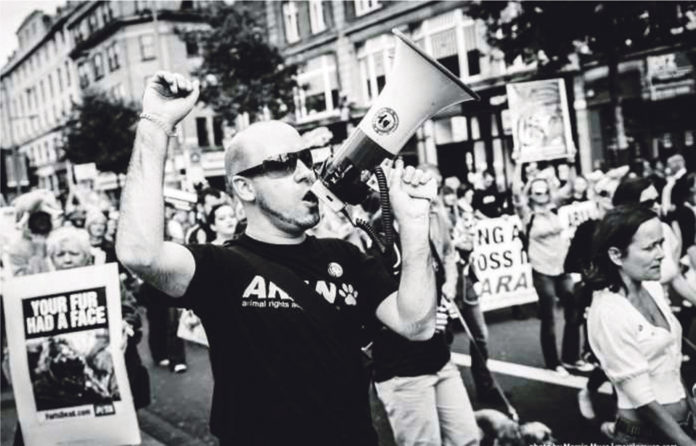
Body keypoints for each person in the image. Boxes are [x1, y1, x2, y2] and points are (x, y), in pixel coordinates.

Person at [116, 71, 439, 445]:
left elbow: (418, 325)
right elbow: (139, 252)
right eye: (284, 163)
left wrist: (415, 225)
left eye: (305, 159)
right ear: (244, 187)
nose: (305, 174)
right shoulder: (220, 268)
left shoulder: (345, 256)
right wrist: (156, 124)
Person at [371, 164, 478, 446]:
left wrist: (444, 299)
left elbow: (443, 267)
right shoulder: (377, 245)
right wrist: (427, 315)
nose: (426, 206)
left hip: (439, 360)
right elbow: (377, 312)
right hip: (403, 371)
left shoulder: (422, 232)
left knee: (468, 438)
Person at [586, 205, 695, 445]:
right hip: (644, 436)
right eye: (649, 248)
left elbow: (669, 363)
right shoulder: (608, 311)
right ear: (616, 255)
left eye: (660, 243)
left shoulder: (652, 287)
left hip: (684, 425)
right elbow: (643, 401)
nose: (661, 254)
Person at [511, 158, 585, 375]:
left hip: (562, 268)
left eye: (544, 191)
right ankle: (554, 363)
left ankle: (572, 357)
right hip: (541, 270)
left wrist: (571, 165)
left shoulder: (555, 206)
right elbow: (515, 189)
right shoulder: (526, 213)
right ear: (530, 194)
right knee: (549, 315)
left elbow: (570, 186)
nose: (541, 194)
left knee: (574, 309)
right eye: (537, 191)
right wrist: (518, 165)